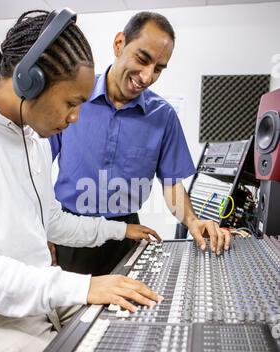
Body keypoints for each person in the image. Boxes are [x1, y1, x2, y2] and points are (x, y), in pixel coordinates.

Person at [0, 9, 162, 352]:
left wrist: (121, 229)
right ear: (30, 81)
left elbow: (52, 222)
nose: (77, 117)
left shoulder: (32, 140)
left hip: (36, 300)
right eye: (71, 102)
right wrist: (83, 287)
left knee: (131, 338)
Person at [49, 11, 231, 276]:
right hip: (70, 234)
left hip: (127, 236)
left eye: (158, 69)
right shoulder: (74, 98)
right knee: (71, 317)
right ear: (119, 43)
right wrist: (41, 228)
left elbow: (171, 185)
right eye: (142, 59)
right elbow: (35, 169)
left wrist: (192, 220)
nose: (147, 77)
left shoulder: (163, 116)